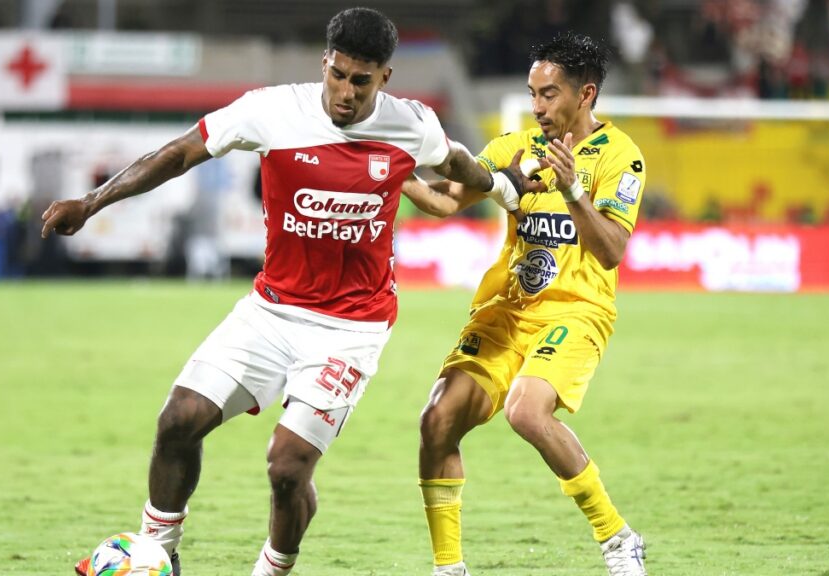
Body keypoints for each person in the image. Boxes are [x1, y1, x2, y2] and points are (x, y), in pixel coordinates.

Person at [41, 8, 532, 576]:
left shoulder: (410, 125)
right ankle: (160, 553)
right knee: (177, 420)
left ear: (385, 77)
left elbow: (459, 164)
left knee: (287, 467)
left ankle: (272, 569)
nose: (345, 92)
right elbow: (178, 153)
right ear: (324, 63)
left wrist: (504, 187)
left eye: (361, 81)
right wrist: (92, 202)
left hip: (351, 328)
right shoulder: (271, 111)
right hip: (271, 312)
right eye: (337, 75)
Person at [401, 32, 648, 576]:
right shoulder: (513, 148)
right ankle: (448, 568)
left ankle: (618, 539)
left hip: (576, 310)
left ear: (585, 94)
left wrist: (573, 190)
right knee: (437, 420)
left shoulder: (620, 157)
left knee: (525, 410)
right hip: (507, 311)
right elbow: (444, 199)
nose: (537, 106)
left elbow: (611, 251)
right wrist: (390, 170)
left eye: (549, 94)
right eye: (533, 93)